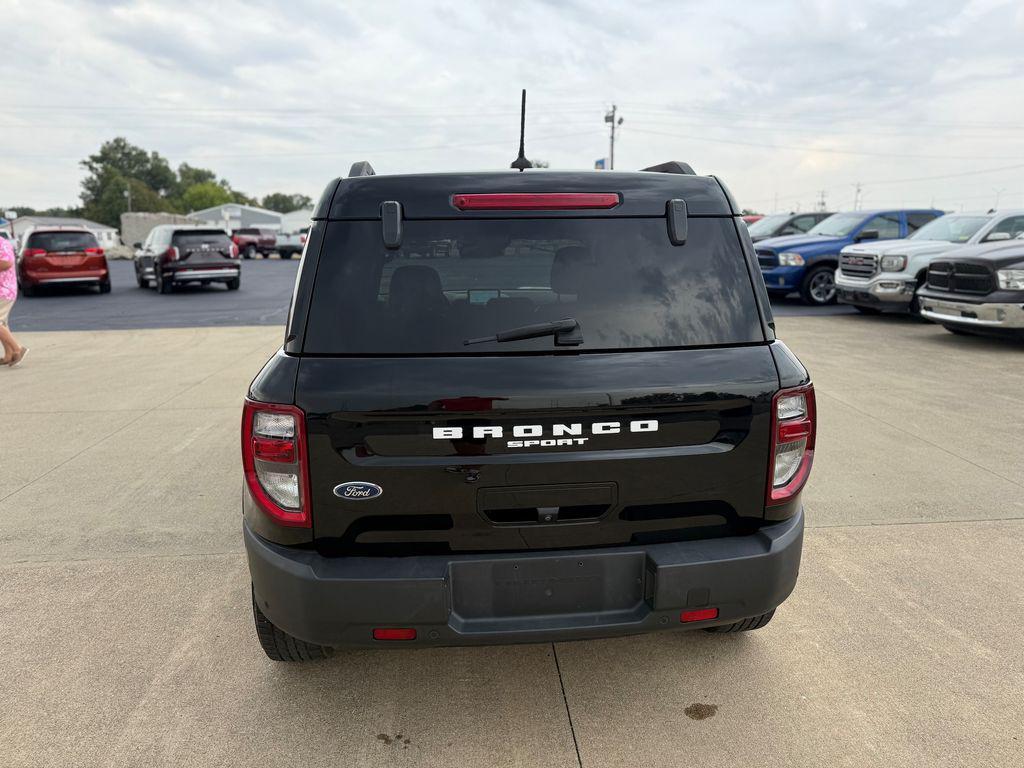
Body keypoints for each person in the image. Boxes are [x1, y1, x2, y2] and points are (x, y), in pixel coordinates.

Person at [0, 234, 28, 366]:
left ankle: (18, 349)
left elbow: (7, 263)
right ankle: (9, 355)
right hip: (4, 290)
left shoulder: (2, 243)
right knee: (2, 324)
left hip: (3, 290)